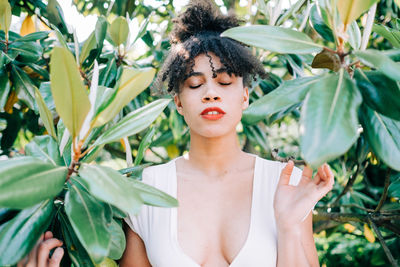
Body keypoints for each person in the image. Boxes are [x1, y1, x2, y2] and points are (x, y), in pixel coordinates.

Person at [18, 0, 334, 266]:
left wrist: (291, 225)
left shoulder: (286, 185)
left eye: (224, 82)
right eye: (195, 84)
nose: (211, 93)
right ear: (179, 102)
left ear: (245, 95)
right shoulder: (145, 192)